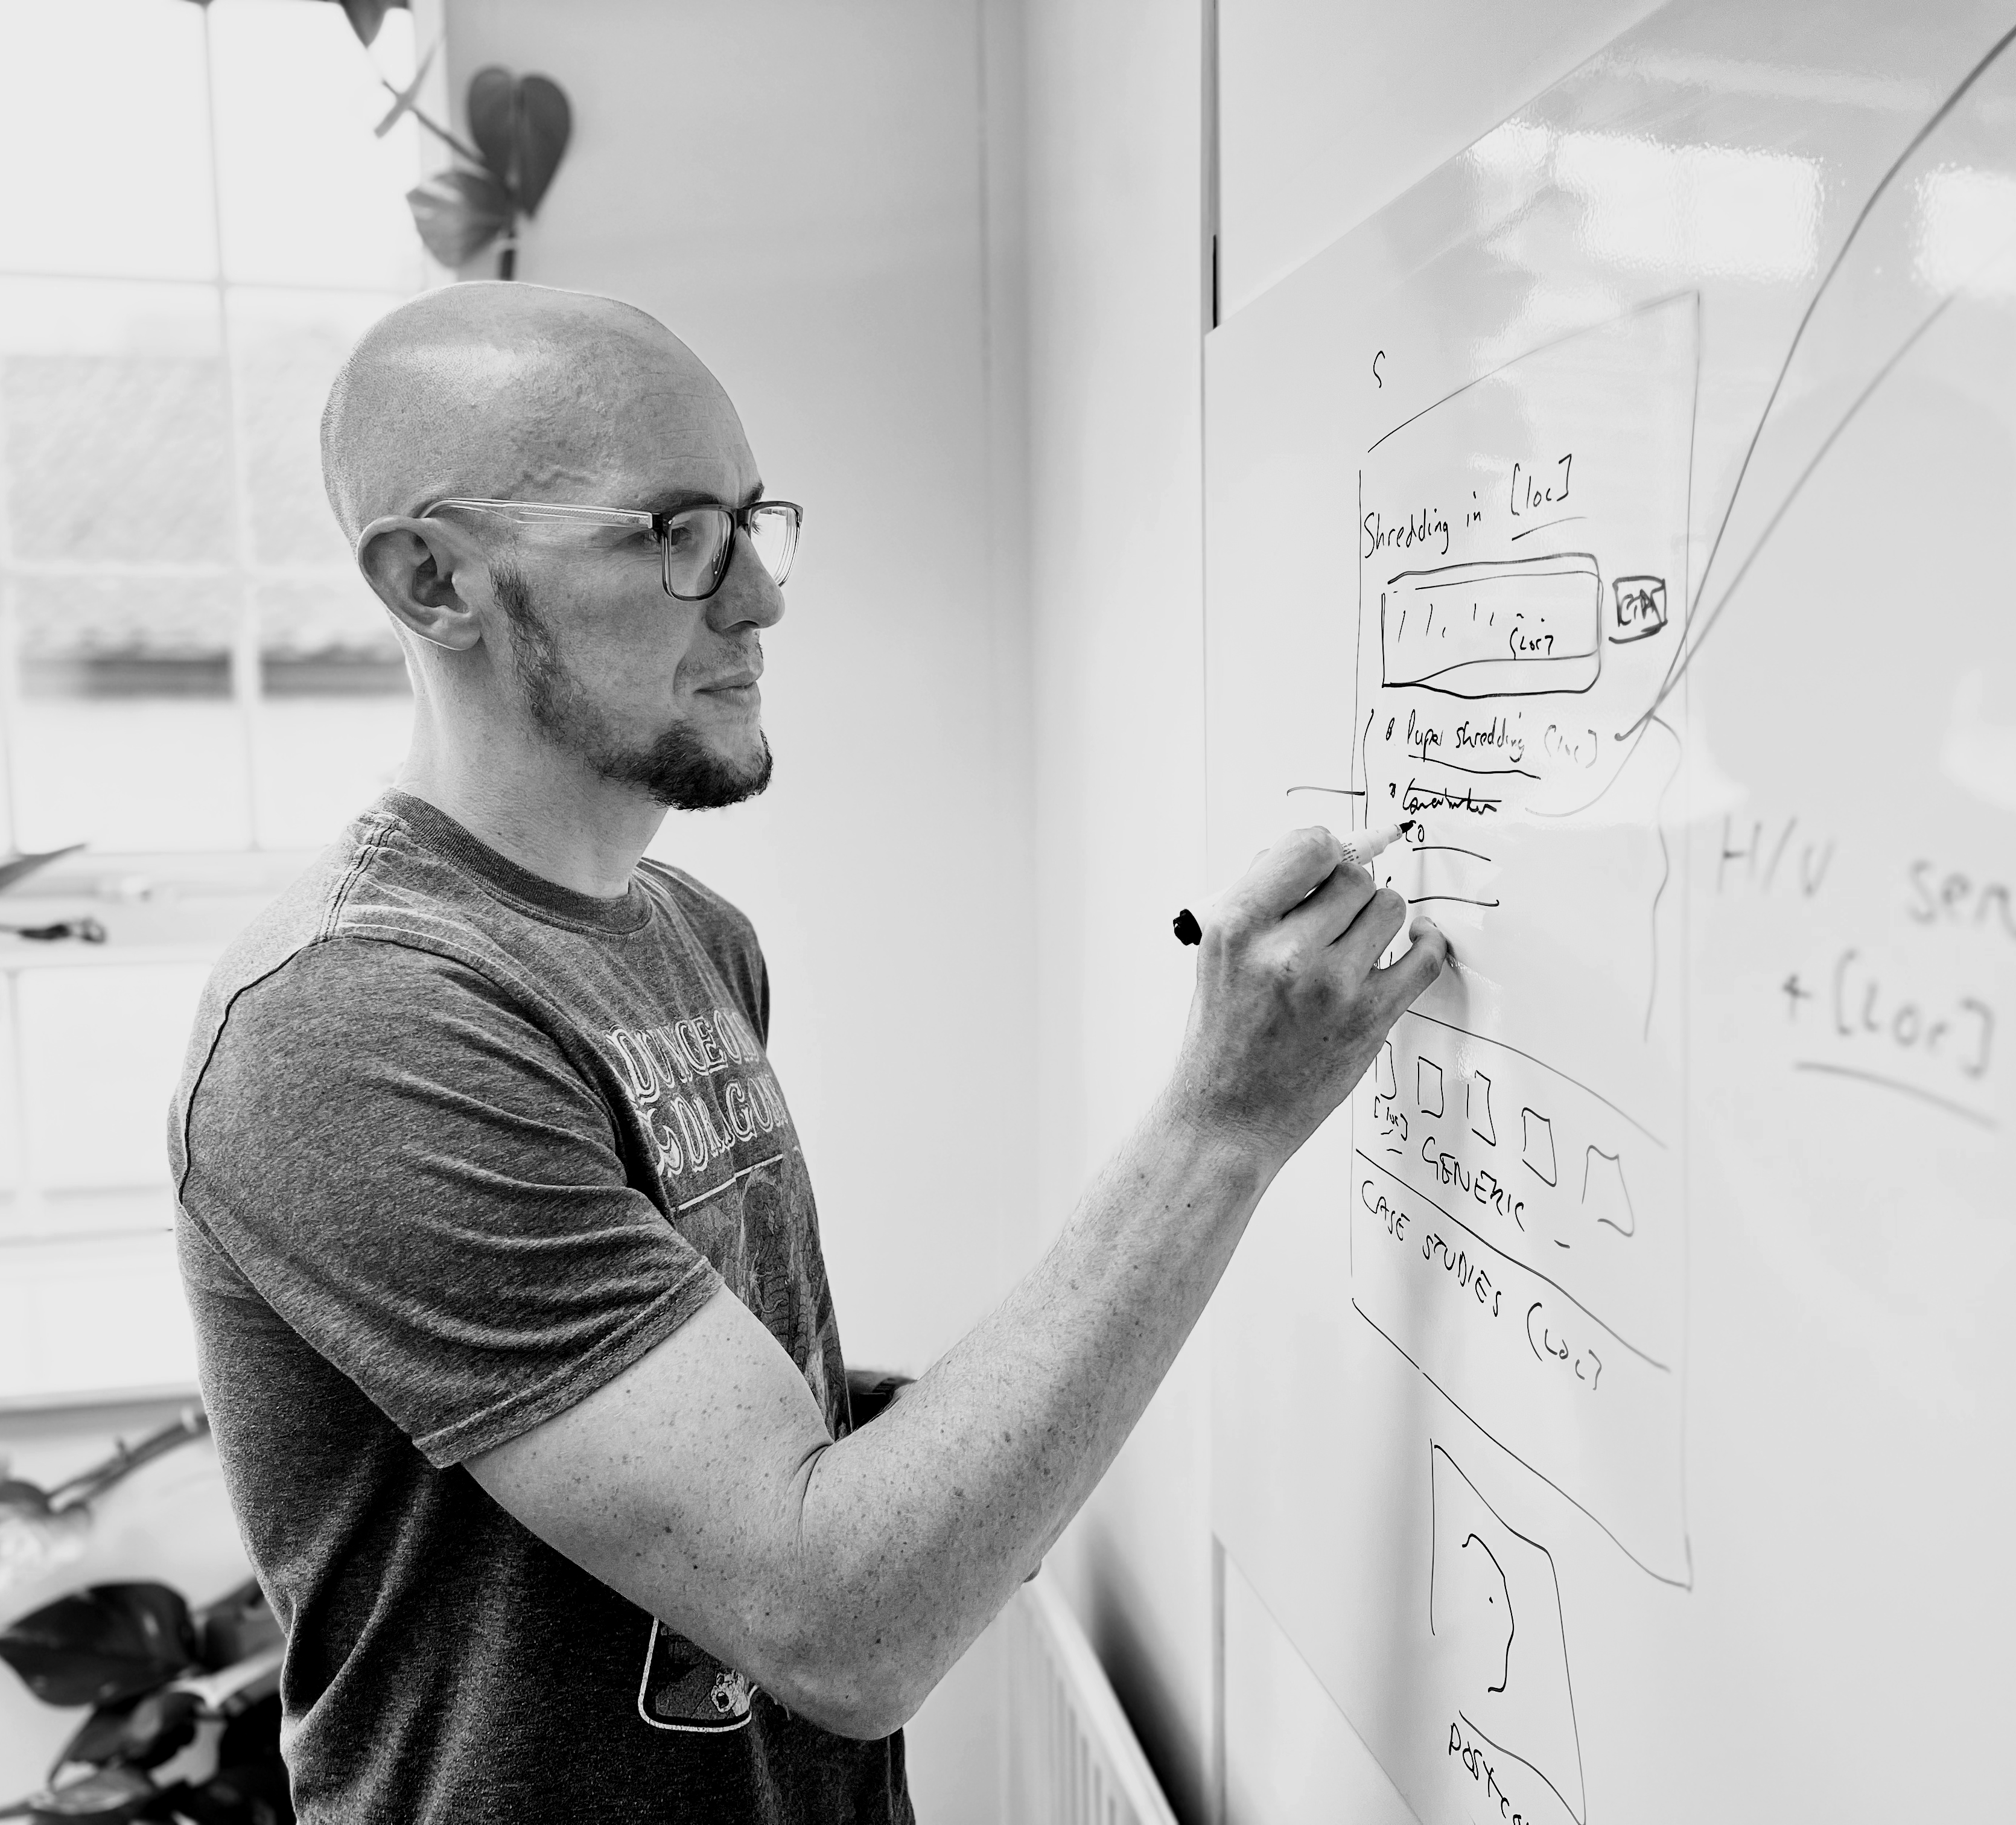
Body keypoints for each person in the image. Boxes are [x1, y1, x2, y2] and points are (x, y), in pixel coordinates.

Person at [167, 281, 1446, 1824]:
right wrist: (1222, 1124)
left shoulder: (692, 938)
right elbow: (838, 1626)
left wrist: (909, 1449)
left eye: (754, 524)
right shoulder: (358, 1018)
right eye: (674, 534)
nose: (760, 599)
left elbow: (724, 1446)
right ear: (433, 579)